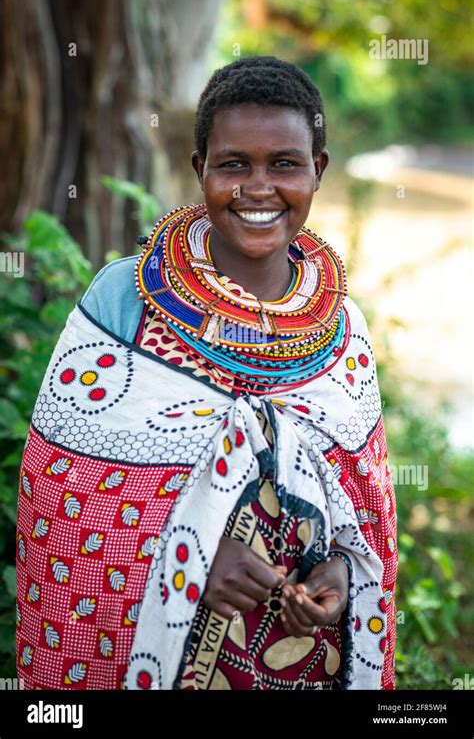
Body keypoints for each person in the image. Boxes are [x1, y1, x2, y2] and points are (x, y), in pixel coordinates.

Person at [16, 56, 397, 691]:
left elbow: (365, 504)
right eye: (232, 164)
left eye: (284, 163)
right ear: (200, 170)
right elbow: (61, 497)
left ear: (318, 171)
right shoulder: (125, 303)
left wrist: (339, 572)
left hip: (303, 659)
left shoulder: (340, 323)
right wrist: (191, 560)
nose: (257, 187)